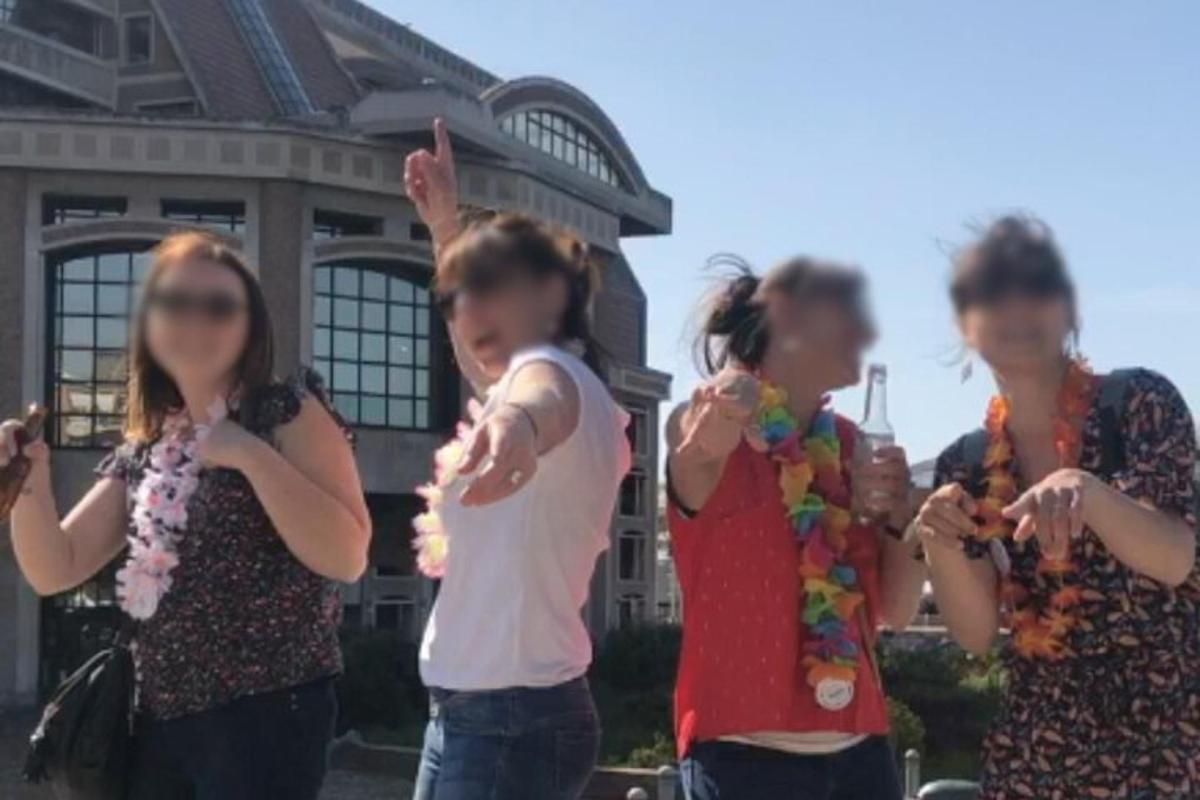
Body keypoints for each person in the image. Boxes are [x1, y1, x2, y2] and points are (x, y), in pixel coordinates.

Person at [0, 231, 371, 800]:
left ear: (250, 327)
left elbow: (347, 555)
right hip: (156, 718)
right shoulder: (145, 447)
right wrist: (32, 479)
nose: (195, 320)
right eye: (174, 304)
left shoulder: (285, 410)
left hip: (268, 713)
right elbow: (56, 567)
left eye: (219, 306)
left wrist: (248, 453)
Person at [916, 216, 1199, 798]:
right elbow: (974, 634)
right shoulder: (964, 465)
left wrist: (1086, 490)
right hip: (1036, 755)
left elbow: (1175, 559)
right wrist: (939, 542)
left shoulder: (1140, 403)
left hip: (1165, 744)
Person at [404, 119, 631, 800]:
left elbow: (541, 396)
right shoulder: (552, 382)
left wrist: (518, 422)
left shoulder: (554, 379)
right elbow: (487, 369)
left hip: (511, 717)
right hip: (477, 712)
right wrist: (444, 229)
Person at [665, 255, 927, 799]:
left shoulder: (854, 448)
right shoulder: (713, 429)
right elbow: (692, 444)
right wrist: (728, 400)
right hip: (741, 755)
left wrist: (902, 517)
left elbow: (898, 613)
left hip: (860, 755)